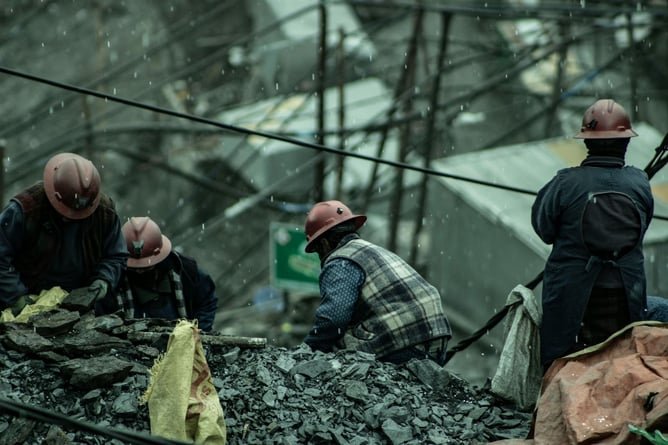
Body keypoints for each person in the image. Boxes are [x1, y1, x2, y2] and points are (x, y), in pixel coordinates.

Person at [532, 99, 654, 370]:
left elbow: (544, 229)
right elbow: (640, 229)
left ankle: (559, 406)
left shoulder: (564, 183)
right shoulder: (639, 183)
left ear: (587, 141)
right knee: (618, 363)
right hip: (625, 291)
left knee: (562, 364)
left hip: (572, 290)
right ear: (626, 143)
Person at [302, 200, 452, 365]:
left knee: (339, 352)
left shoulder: (340, 261)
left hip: (405, 342)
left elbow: (334, 319)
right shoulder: (371, 250)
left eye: (318, 252)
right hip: (436, 337)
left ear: (323, 243)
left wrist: (308, 350)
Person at [0, 152, 128, 312]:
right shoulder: (25, 210)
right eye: (65, 212)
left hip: (82, 302)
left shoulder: (104, 213)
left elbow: (116, 255)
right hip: (29, 295)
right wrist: (15, 296)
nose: (71, 217)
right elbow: (1, 257)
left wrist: (104, 279)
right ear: (55, 195)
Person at [100, 216, 218, 332]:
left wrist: (198, 332)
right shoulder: (113, 280)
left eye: (146, 267)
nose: (140, 271)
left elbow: (207, 300)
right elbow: (102, 315)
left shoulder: (185, 270)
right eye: (135, 268)